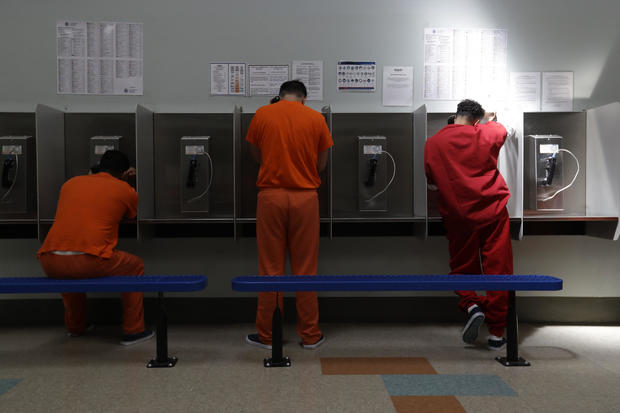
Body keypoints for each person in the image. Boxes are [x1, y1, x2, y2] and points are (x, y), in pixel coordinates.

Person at [245, 80, 333, 350]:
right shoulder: (316, 118)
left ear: (280, 96)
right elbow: (322, 164)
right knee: (306, 268)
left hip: (270, 197)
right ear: (304, 98)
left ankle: (269, 335)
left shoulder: (262, 114)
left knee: (270, 268)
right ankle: (310, 335)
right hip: (305, 198)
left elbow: (255, 154)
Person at [37, 150, 153, 346]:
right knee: (135, 266)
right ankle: (134, 331)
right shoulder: (125, 190)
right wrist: (128, 182)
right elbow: (130, 215)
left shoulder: (70, 184)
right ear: (124, 172)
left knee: (70, 275)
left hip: (50, 259)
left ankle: (76, 326)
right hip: (89, 260)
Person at [424, 99, 513, 351]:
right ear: (476, 120)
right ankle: (497, 333)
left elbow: (431, 180)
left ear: (454, 116)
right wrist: (488, 118)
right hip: (493, 212)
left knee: (463, 266)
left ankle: (471, 304)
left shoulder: (433, 143)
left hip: (457, 214)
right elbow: (501, 129)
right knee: (498, 268)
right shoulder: (486, 131)